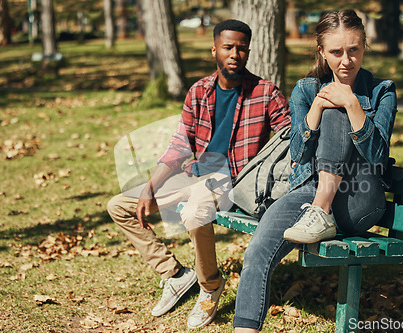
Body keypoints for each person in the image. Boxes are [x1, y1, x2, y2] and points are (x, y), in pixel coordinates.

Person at [107, 19, 290, 329]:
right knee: (119, 206)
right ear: (214, 49)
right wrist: (151, 187)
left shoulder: (265, 93)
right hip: (195, 175)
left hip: (232, 181)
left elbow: (290, 137)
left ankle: (210, 285)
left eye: (241, 49)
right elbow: (180, 146)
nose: (235, 54)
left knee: (194, 213)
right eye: (228, 47)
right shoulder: (199, 91)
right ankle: (176, 275)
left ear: (248, 51)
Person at [233, 10, 397, 332]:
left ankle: (321, 211)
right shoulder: (307, 90)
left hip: (359, 199)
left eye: (355, 50)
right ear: (321, 51)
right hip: (309, 192)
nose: (347, 60)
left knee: (339, 104)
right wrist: (316, 109)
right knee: (257, 251)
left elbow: (378, 157)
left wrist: (351, 105)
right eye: (337, 52)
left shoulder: (382, 91)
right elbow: (299, 153)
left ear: (365, 46)